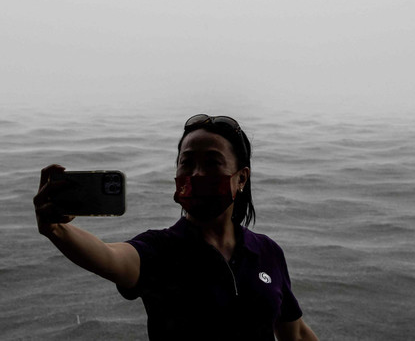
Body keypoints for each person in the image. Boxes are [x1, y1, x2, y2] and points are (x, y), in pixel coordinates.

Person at [34, 114, 319, 341]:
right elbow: (110, 257)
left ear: (241, 178)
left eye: (212, 163)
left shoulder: (267, 251)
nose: (196, 174)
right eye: (187, 163)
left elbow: (295, 333)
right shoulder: (159, 250)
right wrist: (56, 229)